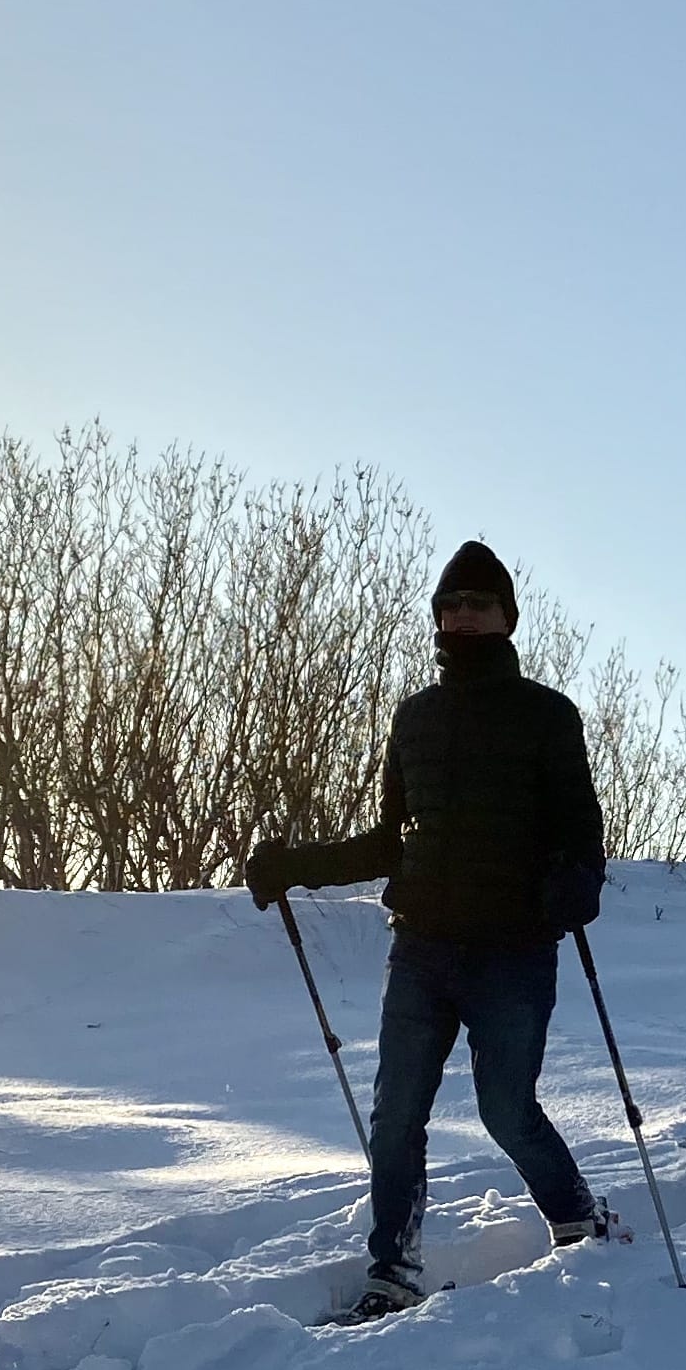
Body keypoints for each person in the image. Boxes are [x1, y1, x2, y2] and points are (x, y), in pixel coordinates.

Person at [247, 541, 612, 1321]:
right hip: (421, 945)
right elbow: (389, 841)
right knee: (396, 1115)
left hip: (513, 948)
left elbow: (582, 831)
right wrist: (295, 865)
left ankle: (577, 1217)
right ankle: (393, 1269)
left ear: (507, 616)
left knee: (504, 1108)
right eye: (452, 605)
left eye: (479, 603)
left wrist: (574, 884)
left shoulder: (547, 714)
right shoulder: (415, 716)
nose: (464, 616)